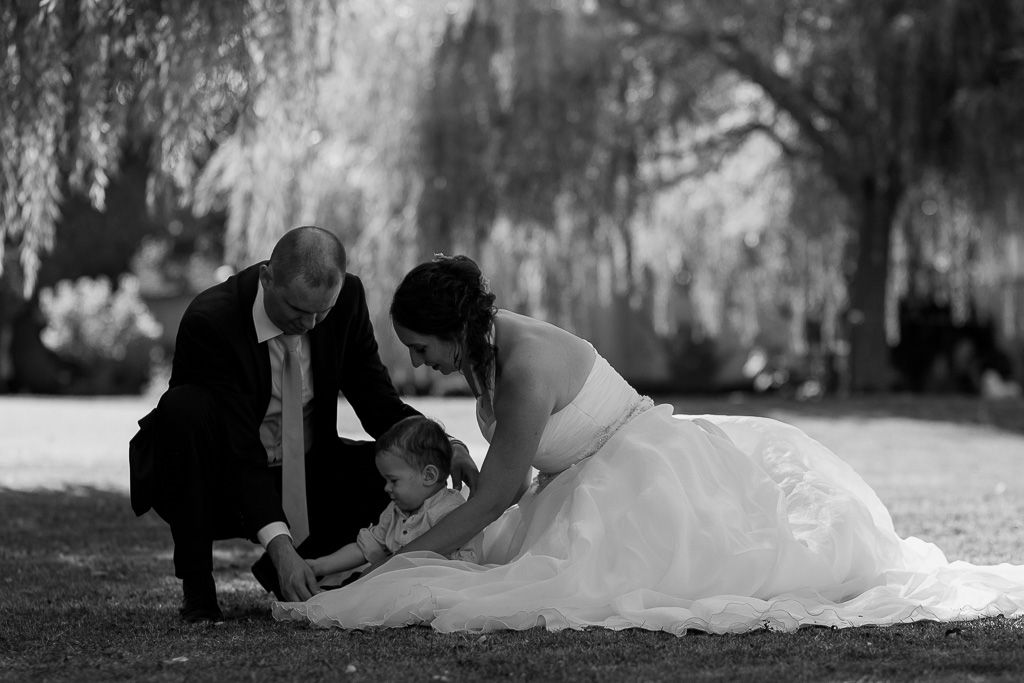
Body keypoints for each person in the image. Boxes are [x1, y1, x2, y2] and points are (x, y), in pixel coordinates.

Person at [273, 254, 1024, 634]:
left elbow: (501, 491)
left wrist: (411, 553)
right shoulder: (485, 351)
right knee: (515, 563)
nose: (415, 362)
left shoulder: (526, 366)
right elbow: (501, 475)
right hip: (580, 479)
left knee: (612, 582)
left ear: (451, 329)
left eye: (418, 346)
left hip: (638, 473)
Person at [128, 228, 478, 622]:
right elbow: (240, 452)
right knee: (183, 408)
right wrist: (280, 545)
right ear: (267, 279)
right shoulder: (212, 320)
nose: (310, 324)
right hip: (219, 480)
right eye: (297, 310)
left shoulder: (345, 302)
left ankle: (312, 570)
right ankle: (198, 589)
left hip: (308, 472)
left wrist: (446, 447)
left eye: (321, 311)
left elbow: (377, 403)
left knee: (399, 473)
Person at [305, 416, 478, 585]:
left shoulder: (451, 512)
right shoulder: (395, 510)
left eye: (393, 480)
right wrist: (319, 566)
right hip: (394, 585)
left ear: (428, 475)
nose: (386, 488)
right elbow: (365, 547)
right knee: (351, 584)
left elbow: (463, 567)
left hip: (433, 589)